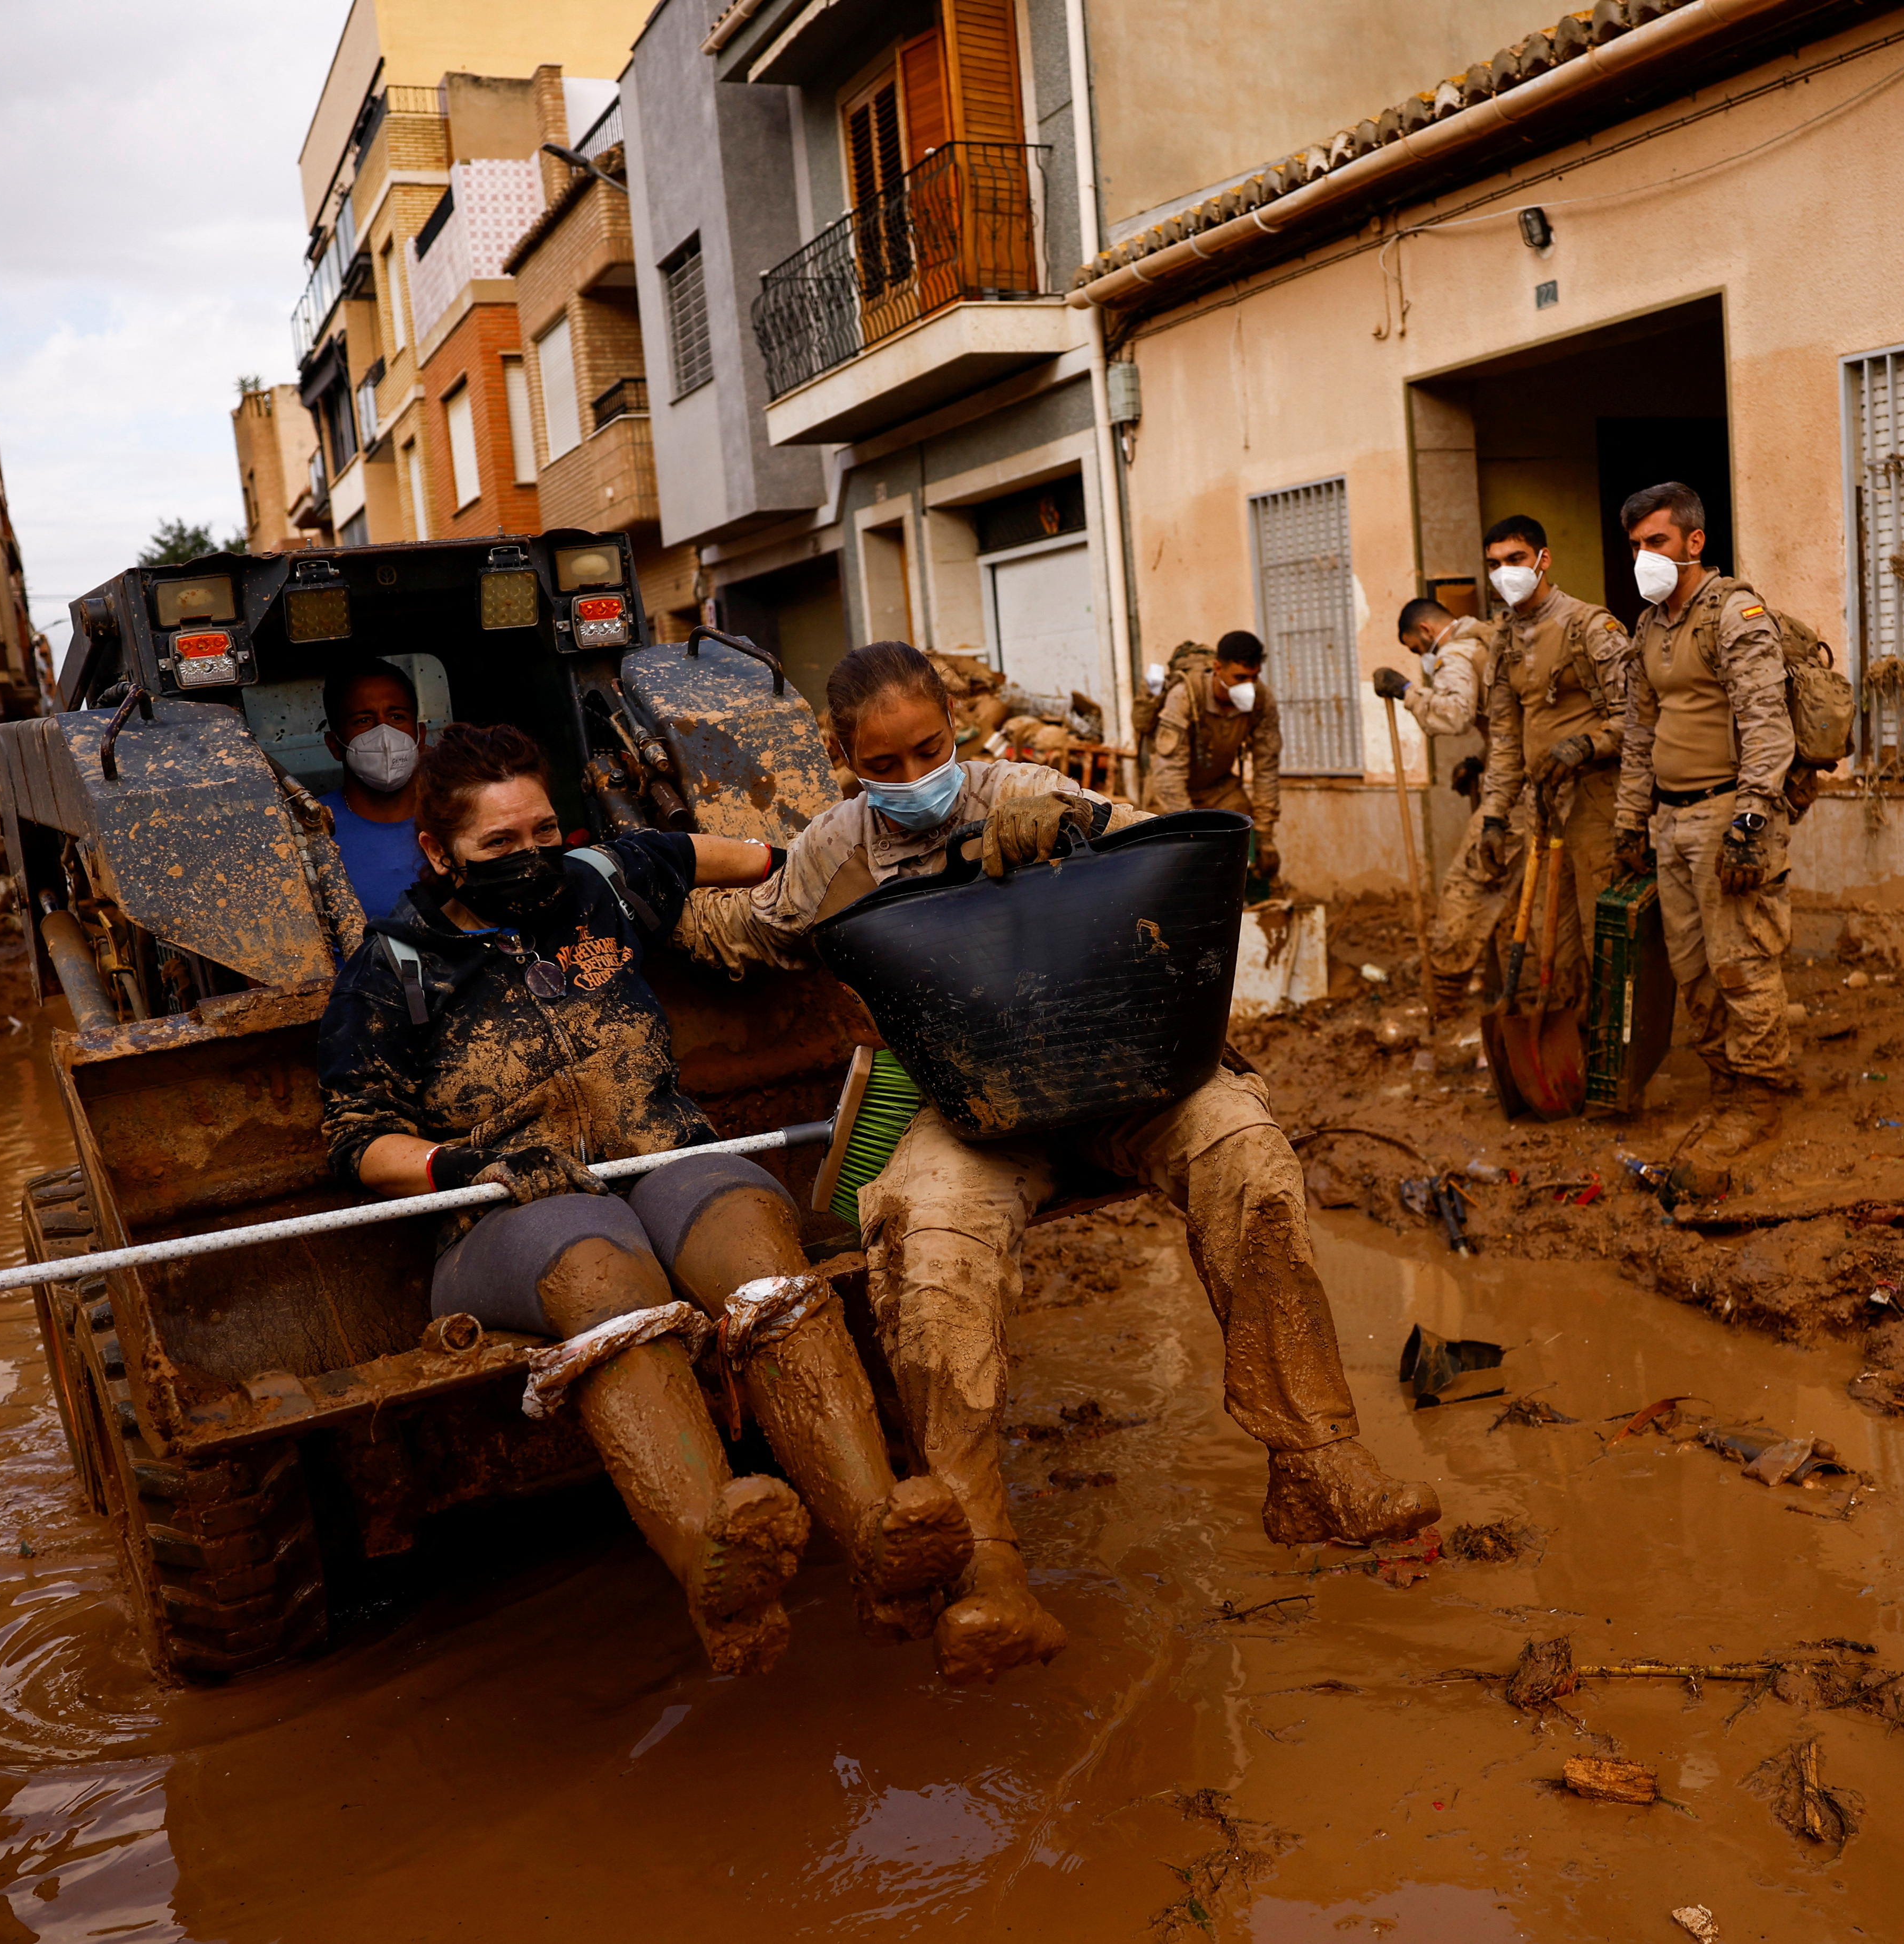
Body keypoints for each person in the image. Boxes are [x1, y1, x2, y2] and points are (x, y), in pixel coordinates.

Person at [677, 641, 1439, 1686]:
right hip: (977, 1107)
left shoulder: (1024, 789)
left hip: (1122, 1066)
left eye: (929, 750)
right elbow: (752, 931)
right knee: (925, 1237)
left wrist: (1081, 830)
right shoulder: (832, 852)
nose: (912, 779)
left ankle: (1314, 1459)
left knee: (1245, 1150)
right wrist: (642, 882)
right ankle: (988, 1568)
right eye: (882, 764)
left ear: (958, 731)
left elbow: (1188, 854)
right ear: (841, 757)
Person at [318, 723, 975, 1676]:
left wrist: (865, 880)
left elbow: (749, 858)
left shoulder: (607, 879)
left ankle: (879, 1532)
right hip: (508, 1214)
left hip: (667, 1157)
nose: (530, 857)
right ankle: (715, 1561)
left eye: (542, 831)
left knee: (754, 1234)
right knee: (600, 1264)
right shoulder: (393, 968)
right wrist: (463, 1166)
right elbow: (356, 1138)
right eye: (498, 845)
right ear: (437, 851)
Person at [1610, 480, 1801, 1098]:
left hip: (1727, 814)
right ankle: (1727, 1080)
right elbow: (1640, 733)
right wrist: (1629, 820)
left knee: (1742, 965)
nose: (1645, 557)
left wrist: (1751, 824)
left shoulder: (1734, 613)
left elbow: (1766, 725)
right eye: (1636, 545)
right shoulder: (1649, 626)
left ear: (1695, 540)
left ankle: (1762, 1090)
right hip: (1669, 822)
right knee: (1691, 969)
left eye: (1657, 541)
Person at [1468, 516, 1633, 1018]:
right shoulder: (1503, 641)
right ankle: (1569, 1058)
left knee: (1602, 935)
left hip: (1598, 807)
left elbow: (1639, 717)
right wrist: (1494, 815)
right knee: (1552, 943)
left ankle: (1615, 1058)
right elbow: (1505, 741)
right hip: (1542, 810)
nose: (1504, 573)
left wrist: (1588, 744)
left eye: (1515, 560)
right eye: (1494, 564)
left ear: (1544, 559)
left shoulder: (1590, 627)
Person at [1373, 598, 1516, 1005]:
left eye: (1417, 650)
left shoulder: (1455, 653)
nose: (1421, 657)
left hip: (1520, 790)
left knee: (1466, 887)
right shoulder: (1487, 637)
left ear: (1425, 632)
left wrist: (1407, 691)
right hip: (1525, 772)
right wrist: (1481, 760)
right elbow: (1511, 723)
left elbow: (1454, 716)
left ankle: (1446, 993)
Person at [1149, 629, 1282, 881]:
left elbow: (1267, 768)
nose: (1249, 686)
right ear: (1218, 668)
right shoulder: (1186, 696)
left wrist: (1265, 836)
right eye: (1240, 677)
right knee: (1175, 867)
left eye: (1254, 678)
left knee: (1244, 837)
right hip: (1171, 793)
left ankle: (1249, 908)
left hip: (1219, 789)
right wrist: (1192, 834)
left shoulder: (1262, 701)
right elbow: (1168, 776)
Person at [316, 658, 429, 914]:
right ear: (334, 744)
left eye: (397, 716)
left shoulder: (459, 816)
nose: (385, 735)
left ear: (420, 736)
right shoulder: (312, 829)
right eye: (363, 721)